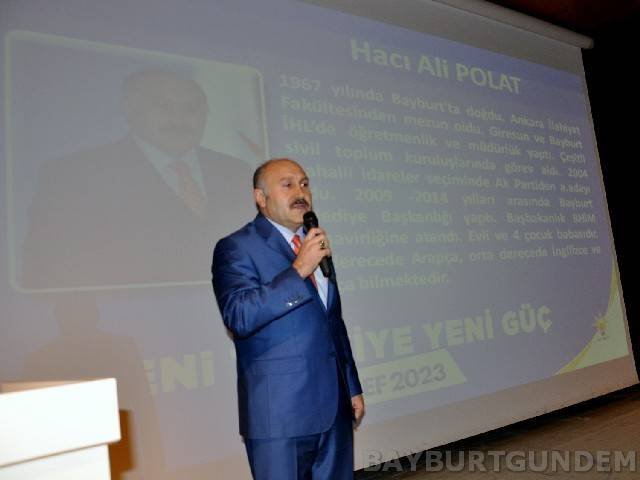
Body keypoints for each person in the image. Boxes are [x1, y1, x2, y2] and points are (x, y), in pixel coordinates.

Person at [21, 70, 255, 289]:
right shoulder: (76, 174)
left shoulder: (236, 172)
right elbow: (44, 265)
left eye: (191, 108)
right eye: (162, 106)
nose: (178, 119)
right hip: (123, 313)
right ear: (131, 110)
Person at [211, 158, 365, 479]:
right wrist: (298, 270)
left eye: (305, 184)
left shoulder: (312, 243)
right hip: (279, 417)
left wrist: (351, 385)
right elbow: (239, 315)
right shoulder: (236, 247)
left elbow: (332, 322)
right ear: (260, 197)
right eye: (288, 185)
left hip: (334, 409)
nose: (301, 192)